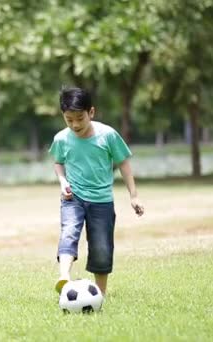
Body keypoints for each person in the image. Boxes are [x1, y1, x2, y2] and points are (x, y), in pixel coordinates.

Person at [48, 86, 144, 296]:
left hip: (101, 200)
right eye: (69, 119)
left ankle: (99, 293)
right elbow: (58, 162)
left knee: (101, 246)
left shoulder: (107, 135)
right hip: (73, 197)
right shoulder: (61, 139)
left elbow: (124, 163)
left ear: (91, 112)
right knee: (69, 232)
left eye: (80, 118)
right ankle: (64, 276)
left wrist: (133, 195)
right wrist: (63, 181)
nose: (74, 124)